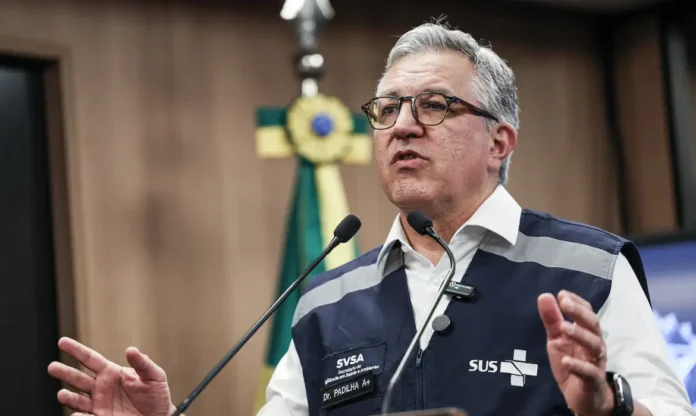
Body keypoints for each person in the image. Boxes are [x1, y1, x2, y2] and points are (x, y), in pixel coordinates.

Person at [48, 20, 695, 416]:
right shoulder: (326, 300)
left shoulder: (589, 269)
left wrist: (610, 407)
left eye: (434, 105)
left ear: (500, 142)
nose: (403, 127)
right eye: (387, 110)